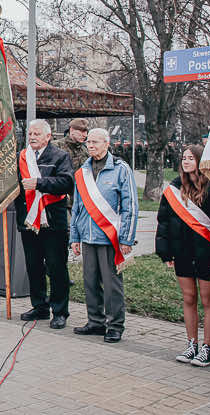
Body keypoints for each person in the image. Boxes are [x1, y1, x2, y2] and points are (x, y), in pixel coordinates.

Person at [155, 144, 210, 367]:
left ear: (200, 160)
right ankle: (191, 344)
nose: (186, 161)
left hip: (207, 253)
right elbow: (164, 221)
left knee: (207, 300)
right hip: (182, 251)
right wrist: (165, 250)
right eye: (184, 158)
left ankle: (207, 348)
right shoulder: (174, 189)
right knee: (188, 297)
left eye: (191, 158)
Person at [70, 127, 138, 343]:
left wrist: (126, 238)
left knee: (111, 285)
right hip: (88, 236)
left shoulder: (121, 169)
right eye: (88, 142)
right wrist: (74, 238)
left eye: (95, 142)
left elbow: (130, 206)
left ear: (107, 144)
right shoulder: (83, 171)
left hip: (110, 237)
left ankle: (115, 325)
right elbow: (77, 207)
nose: (90, 146)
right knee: (90, 282)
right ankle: (95, 321)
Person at [14, 119, 75, 328]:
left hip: (52, 222)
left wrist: (40, 183)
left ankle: (60, 311)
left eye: (36, 134)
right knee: (33, 266)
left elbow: (67, 182)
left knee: (56, 267)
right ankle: (39, 306)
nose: (32, 137)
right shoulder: (21, 157)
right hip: (29, 222)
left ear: (48, 136)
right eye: (30, 133)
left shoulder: (60, 156)